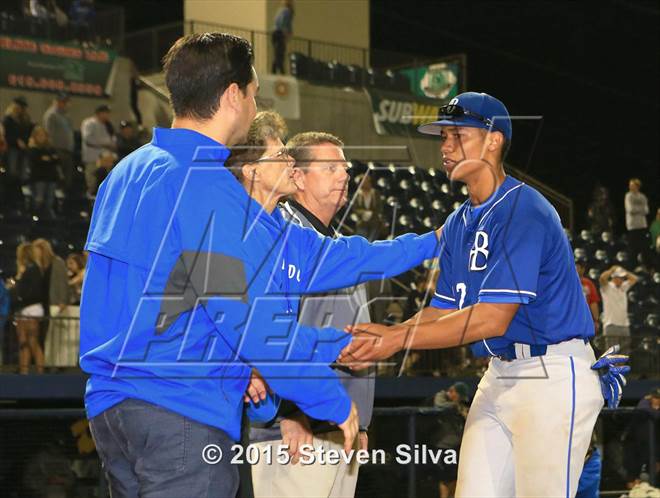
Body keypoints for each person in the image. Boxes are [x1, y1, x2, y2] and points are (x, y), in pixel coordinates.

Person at [80, 33, 440, 498]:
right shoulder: (208, 187)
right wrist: (328, 400)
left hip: (113, 411)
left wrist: (332, 343)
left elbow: (150, 299)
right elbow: (251, 322)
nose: (253, 106)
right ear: (234, 95)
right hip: (180, 411)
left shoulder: (126, 173)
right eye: (253, 94)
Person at [338, 92, 625, 497]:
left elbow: (492, 318)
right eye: (442, 137)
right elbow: (442, 310)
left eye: (457, 134)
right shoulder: (458, 221)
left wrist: (396, 339)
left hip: (553, 374)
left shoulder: (525, 209)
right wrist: (387, 334)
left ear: (493, 140)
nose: (445, 145)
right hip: (499, 373)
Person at [246, 128, 374, 498]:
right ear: (297, 176)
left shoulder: (333, 241)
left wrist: (359, 422)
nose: (344, 174)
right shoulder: (281, 236)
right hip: (296, 432)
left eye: (345, 168)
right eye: (330, 166)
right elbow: (270, 336)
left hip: (335, 428)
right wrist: (290, 415)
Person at [33, 238, 74, 368]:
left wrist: (62, 300)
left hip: (55, 304)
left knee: (54, 337)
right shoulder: (41, 266)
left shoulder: (57, 262)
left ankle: (55, 364)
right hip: (44, 305)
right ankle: (47, 363)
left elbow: (63, 283)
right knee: (46, 337)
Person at [7, 242, 45, 374]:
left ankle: (40, 372)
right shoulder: (26, 270)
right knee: (23, 342)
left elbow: (31, 291)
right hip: (23, 309)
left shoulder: (33, 269)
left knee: (32, 341)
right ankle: (24, 371)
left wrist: (18, 289)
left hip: (32, 308)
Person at [430, 382, 470, 498]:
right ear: (453, 392)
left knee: (455, 479)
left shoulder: (457, 405)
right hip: (443, 446)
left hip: (455, 446)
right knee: (446, 479)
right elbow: (439, 405)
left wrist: (463, 412)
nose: (460, 400)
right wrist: (456, 406)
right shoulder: (441, 396)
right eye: (460, 397)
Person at [599, 265, 637, 351]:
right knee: (611, 355)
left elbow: (634, 279)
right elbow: (602, 278)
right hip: (611, 325)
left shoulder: (623, 286)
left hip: (624, 325)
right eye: (619, 277)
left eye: (622, 278)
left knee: (624, 354)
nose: (621, 280)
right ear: (614, 278)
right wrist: (611, 270)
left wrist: (624, 271)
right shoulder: (608, 287)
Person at [43, 92, 75, 191]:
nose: (64, 104)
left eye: (66, 102)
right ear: (56, 101)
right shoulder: (51, 115)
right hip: (57, 149)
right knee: (59, 177)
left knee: (67, 178)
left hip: (67, 150)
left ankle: (64, 198)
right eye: (62, 101)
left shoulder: (67, 115)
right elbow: (48, 133)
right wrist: (52, 150)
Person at [27, 125, 61, 218]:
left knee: (50, 199)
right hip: (39, 178)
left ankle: (48, 219)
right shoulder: (33, 149)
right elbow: (36, 159)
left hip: (51, 178)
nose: (42, 138)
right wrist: (48, 159)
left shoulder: (50, 148)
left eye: (43, 135)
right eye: (39, 135)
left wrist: (47, 159)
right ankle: (35, 217)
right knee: (39, 199)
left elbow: (56, 159)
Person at [81, 104, 115, 192]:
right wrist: (105, 143)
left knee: (105, 184)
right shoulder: (89, 123)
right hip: (93, 158)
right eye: (105, 113)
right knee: (92, 183)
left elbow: (112, 139)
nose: (107, 115)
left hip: (105, 158)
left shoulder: (107, 125)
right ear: (99, 113)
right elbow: (88, 139)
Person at [2, 96, 33, 183]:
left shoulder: (25, 120)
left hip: (23, 148)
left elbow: (28, 132)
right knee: (13, 170)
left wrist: (25, 142)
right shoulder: (8, 119)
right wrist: (16, 141)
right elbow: (6, 134)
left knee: (23, 171)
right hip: (12, 148)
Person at [625, 178, 650, 266]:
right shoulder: (628, 196)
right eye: (630, 185)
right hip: (632, 226)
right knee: (632, 249)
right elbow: (630, 209)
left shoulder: (643, 197)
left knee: (644, 248)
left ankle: (646, 266)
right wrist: (641, 209)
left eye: (632, 185)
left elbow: (647, 210)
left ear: (637, 186)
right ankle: (633, 267)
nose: (630, 187)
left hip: (642, 225)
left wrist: (638, 209)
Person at [354, 174, 384, 241]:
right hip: (362, 223)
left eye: (367, 181)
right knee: (360, 241)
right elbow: (354, 208)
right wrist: (363, 213)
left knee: (371, 242)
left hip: (374, 222)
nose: (366, 183)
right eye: (363, 182)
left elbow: (380, 207)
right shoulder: (358, 195)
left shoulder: (375, 193)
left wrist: (372, 214)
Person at [576, 259, 601, 335]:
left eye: (577, 267)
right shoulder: (565, 282)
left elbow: (593, 302)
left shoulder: (588, 284)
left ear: (583, 270)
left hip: (585, 319)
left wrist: (596, 320)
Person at [271, 0, 294, 74]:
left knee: (277, 53)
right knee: (280, 53)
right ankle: (280, 71)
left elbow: (278, 21)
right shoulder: (287, 11)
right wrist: (287, 33)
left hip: (275, 33)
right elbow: (285, 23)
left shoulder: (281, 10)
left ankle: (275, 70)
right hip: (279, 34)